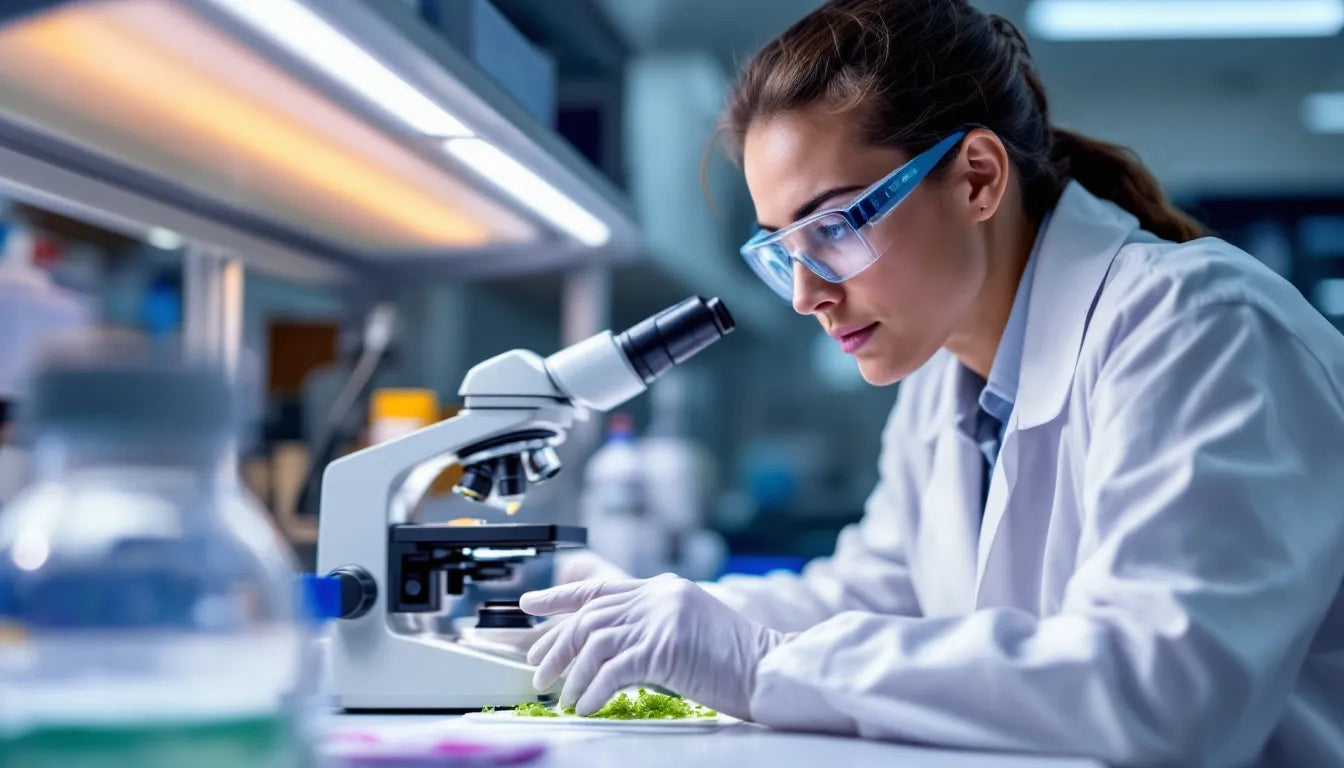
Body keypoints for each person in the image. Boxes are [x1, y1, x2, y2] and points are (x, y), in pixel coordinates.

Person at [519, 1, 1344, 765]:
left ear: (979, 178)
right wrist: (658, 615)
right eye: (781, 249)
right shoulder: (944, 371)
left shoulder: (1198, 324)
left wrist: (759, 661)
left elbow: (1164, 687)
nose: (806, 293)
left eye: (835, 227)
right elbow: (877, 593)